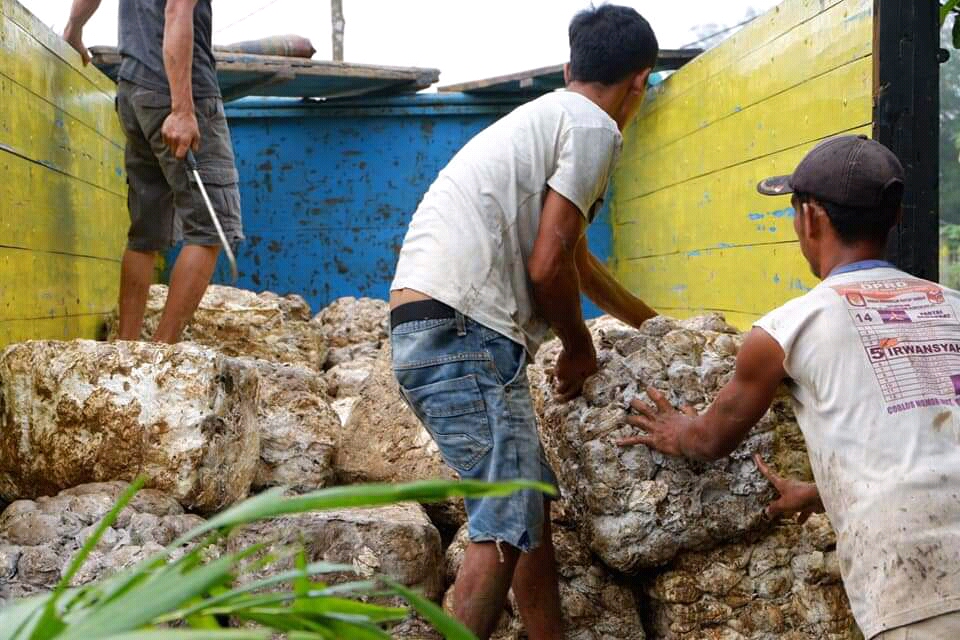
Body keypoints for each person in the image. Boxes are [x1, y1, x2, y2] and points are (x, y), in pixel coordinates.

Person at [619, 135, 960, 640]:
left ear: (811, 219)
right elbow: (925, 441)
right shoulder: (951, 306)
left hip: (914, 583)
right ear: (895, 218)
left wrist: (674, 428)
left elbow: (708, 440)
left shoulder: (787, 329)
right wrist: (824, 492)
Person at [389, 5, 658, 638]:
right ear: (640, 83)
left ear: (569, 68)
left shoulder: (546, 117)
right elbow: (546, 265)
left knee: (524, 502)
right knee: (504, 518)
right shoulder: (594, 125)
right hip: (465, 332)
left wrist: (652, 324)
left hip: (430, 323)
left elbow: (574, 260)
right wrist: (578, 346)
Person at [64, 0, 243, 343]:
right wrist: (182, 109)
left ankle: (127, 351)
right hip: (174, 92)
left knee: (145, 233)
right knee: (212, 227)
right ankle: (160, 358)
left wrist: (74, 28)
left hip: (134, 90)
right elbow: (177, 10)